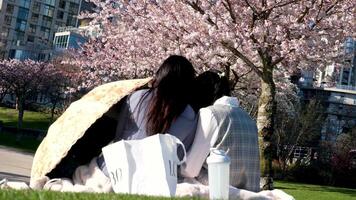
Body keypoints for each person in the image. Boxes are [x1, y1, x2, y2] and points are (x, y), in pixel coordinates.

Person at [97, 55, 198, 174]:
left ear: (161, 74)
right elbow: (180, 154)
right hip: (155, 177)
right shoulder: (189, 113)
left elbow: (119, 135)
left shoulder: (136, 97)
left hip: (117, 170)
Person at [181, 70, 260, 192]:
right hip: (250, 193)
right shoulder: (248, 119)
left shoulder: (210, 113)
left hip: (221, 190)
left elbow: (190, 169)